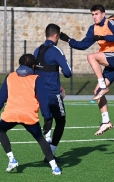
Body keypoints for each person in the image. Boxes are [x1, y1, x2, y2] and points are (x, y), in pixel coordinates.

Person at [59, 4, 114, 136]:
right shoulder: (93, 29)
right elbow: (83, 45)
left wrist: (103, 37)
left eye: (96, 14)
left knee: (91, 57)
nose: (94, 17)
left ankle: (103, 86)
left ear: (103, 14)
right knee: (97, 92)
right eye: (92, 14)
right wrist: (68, 40)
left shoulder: (110, 22)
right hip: (112, 63)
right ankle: (106, 121)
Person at [0, 54, 61, 175]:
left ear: (19, 64)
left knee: (0, 130)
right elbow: (44, 101)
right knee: (40, 139)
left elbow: (1, 98)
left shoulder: (10, 77)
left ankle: (12, 159)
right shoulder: (36, 78)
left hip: (10, 114)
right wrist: (48, 120)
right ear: (33, 66)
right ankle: (54, 167)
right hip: (29, 116)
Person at [33, 23, 72, 163]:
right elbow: (68, 73)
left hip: (38, 94)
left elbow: (33, 72)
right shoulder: (56, 51)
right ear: (56, 35)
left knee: (47, 118)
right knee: (61, 121)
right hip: (53, 94)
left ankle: (47, 135)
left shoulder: (36, 51)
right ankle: (51, 153)